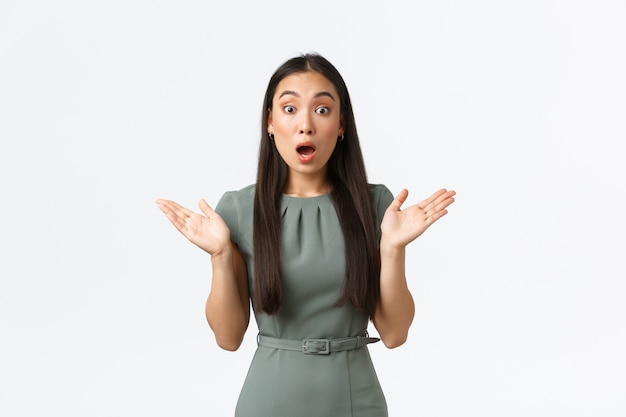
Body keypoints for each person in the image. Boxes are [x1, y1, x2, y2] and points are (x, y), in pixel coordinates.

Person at [156, 52, 455, 417]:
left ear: (342, 124)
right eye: (290, 109)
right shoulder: (238, 210)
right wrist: (219, 255)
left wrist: (391, 248)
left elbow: (395, 334)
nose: (306, 125)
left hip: (354, 400)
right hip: (268, 400)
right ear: (269, 121)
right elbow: (227, 337)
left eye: (323, 110)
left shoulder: (375, 205)